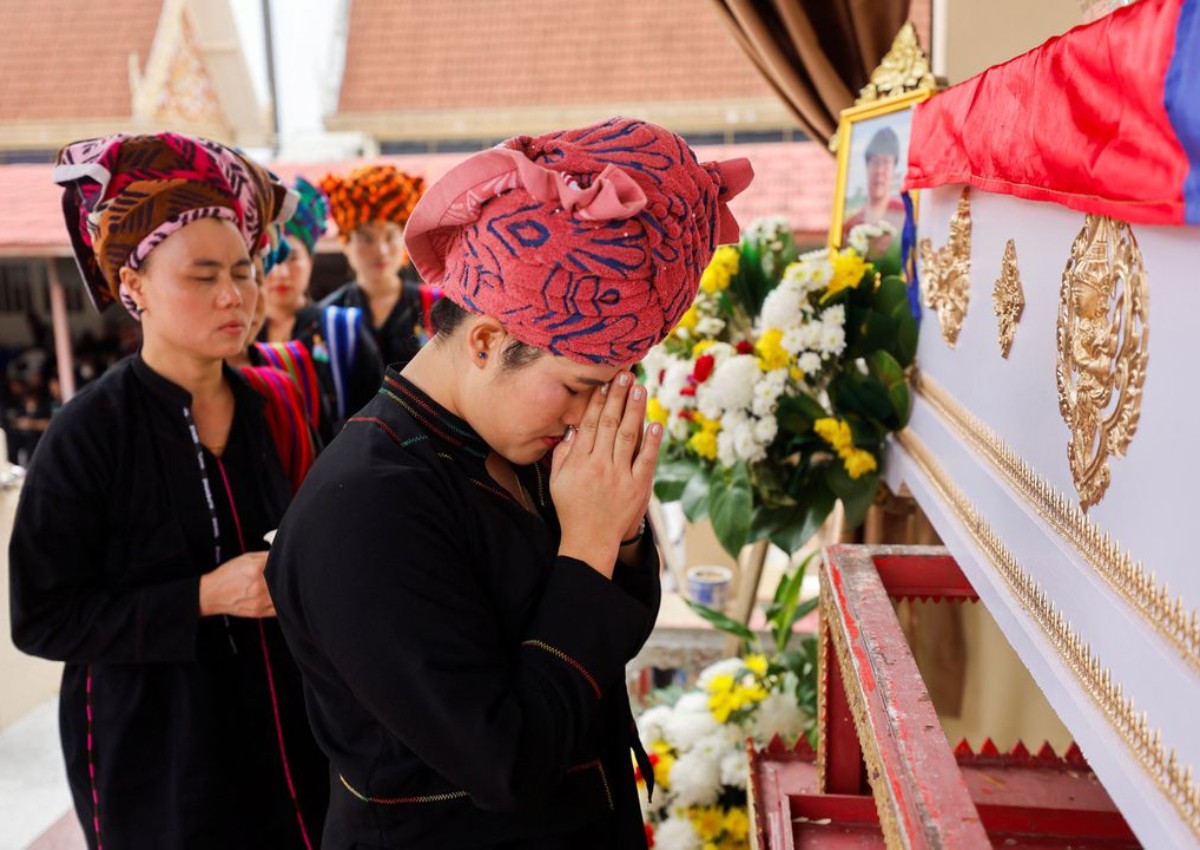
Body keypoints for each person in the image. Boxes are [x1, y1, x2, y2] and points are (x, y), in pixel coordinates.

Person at [266, 116, 753, 849]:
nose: (591, 415)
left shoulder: (516, 444)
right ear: (489, 340)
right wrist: (588, 543)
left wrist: (616, 532)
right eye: (580, 386)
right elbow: (503, 763)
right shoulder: (364, 506)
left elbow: (606, 638)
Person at [9, 132, 328, 848]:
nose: (233, 295)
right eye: (202, 274)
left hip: (283, 730)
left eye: (244, 270)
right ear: (135, 287)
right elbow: (42, 619)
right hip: (153, 750)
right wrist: (204, 596)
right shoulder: (87, 433)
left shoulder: (272, 405)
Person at [257, 177, 384, 440]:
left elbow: (375, 413)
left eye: (291, 257)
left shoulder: (342, 330)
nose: (281, 272)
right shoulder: (239, 333)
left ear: (310, 261)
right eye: (272, 258)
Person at [318, 164, 430, 369]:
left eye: (390, 236)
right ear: (345, 242)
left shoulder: (435, 308)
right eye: (366, 238)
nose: (381, 250)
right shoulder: (326, 316)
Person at [842, 125, 906, 242]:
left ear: (894, 169)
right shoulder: (850, 225)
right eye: (875, 162)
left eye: (886, 162)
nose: (880, 170)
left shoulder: (904, 215)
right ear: (867, 166)